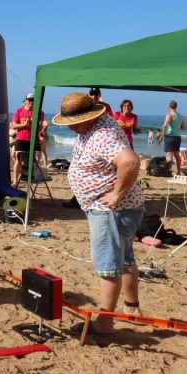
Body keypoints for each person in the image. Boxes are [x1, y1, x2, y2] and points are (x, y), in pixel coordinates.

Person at [52, 92, 145, 335]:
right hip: (120, 208)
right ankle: (132, 308)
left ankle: (104, 323)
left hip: (111, 209)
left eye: (74, 122)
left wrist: (115, 195)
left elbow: (131, 162)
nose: (71, 127)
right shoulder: (96, 126)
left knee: (109, 265)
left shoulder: (102, 134)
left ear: (88, 116)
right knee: (125, 259)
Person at [9, 93, 47, 188]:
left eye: (33, 100)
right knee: (18, 159)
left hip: (34, 139)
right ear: (25, 101)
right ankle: (15, 181)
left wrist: (35, 123)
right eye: (29, 100)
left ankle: (30, 178)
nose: (31, 102)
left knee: (34, 161)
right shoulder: (19, 111)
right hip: (21, 138)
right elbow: (13, 125)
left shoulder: (39, 112)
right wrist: (25, 124)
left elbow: (39, 128)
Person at [157, 100, 186, 176]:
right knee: (177, 155)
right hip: (177, 136)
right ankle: (178, 171)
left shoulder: (169, 115)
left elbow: (165, 126)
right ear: (176, 106)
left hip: (170, 136)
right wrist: (176, 126)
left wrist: (162, 136)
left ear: (169, 106)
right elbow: (183, 127)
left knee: (169, 154)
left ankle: (167, 171)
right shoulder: (181, 116)